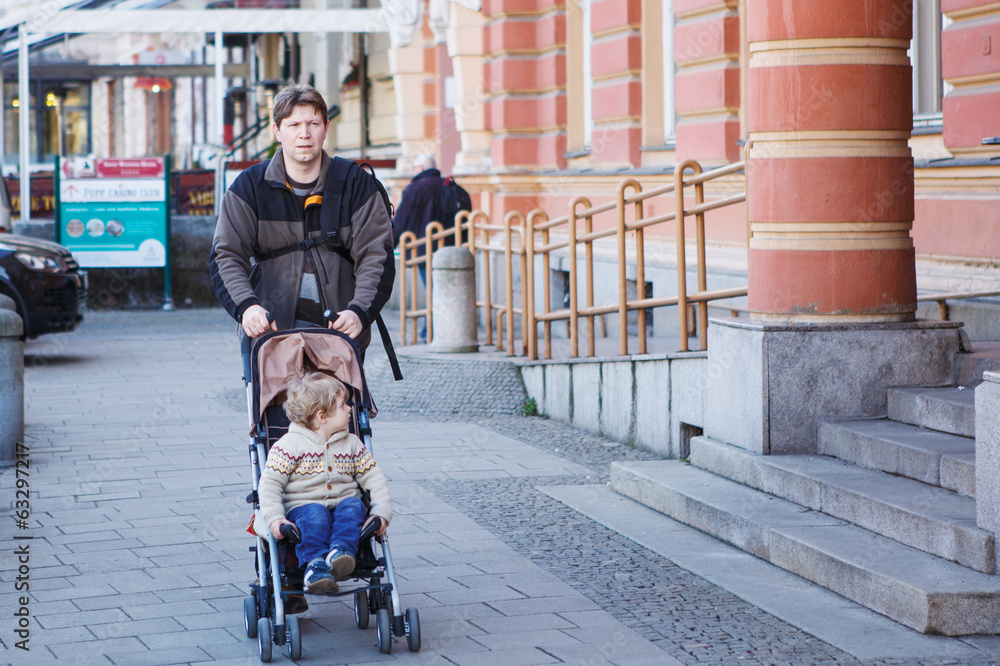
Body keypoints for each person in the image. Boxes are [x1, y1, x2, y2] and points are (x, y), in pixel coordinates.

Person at [210, 83, 395, 352]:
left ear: (326, 128)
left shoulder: (356, 185)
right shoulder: (249, 187)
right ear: (277, 131)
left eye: (313, 123)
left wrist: (358, 312)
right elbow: (225, 254)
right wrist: (247, 308)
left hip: (340, 334)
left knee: (338, 397)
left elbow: (377, 256)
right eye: (293, 124)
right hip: (271, 335)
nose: (304, 134)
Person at [254, 372, 392, 595]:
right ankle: (315, 565)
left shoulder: (352, 443)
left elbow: (374, 477)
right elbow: (270, 484)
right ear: (322, 416)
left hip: (343, 504)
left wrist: (381, 511)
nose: (350, 408)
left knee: (354, 506)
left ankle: (340, 553)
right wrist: (274, 517)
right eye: (342, 405)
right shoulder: (288, 446)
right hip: (303, 508)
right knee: (316, 513)